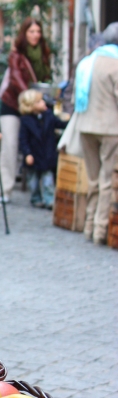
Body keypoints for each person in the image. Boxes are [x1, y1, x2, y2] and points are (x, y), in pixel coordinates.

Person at [73, 22, 118, 244]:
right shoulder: (115, 64)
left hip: (86, 125)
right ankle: (100, 230)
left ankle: (88, 225)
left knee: (92, 178)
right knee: (106, 179)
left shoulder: (87, 62)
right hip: (110, 128)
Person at [0, 18, 50, 202]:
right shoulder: (16, 55)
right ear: (24, 33)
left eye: (38, 31)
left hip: (32, 107)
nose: (35, 35)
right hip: (13, 104)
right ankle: (5, 191)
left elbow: (45, 78)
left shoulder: (43, 54)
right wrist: (29, 98)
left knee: (38, 142)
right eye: (31, 32)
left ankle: (38, 190)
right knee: (10, 146)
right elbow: (16, 79)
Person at [18, 89, 63, 209]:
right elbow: (23, 139)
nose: (43, 103)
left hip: (47, 154)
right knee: (33, 181)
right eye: (39, 101)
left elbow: (60, 124)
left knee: (48, 180)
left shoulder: (49, 116)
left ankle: (49, 200)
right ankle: (36, 198)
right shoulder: (26, 120)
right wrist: (27, 153)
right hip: (34, 154)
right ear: (31, 105)